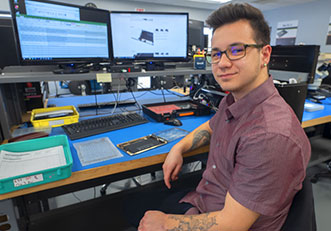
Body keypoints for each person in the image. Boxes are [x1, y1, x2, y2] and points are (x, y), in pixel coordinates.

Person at [137, 3, 311, 231]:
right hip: (204, 201)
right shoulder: (237, 101)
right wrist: (178, 148)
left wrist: (165, 224)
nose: (223, 63)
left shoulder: (270, 136)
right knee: (131, 205)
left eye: (237, 50)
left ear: (265, 55)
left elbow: (231, 224)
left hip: (222, 221)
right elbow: (210, 127)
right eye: (216, 53)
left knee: (130, 209)